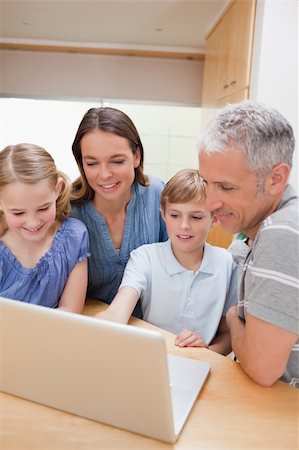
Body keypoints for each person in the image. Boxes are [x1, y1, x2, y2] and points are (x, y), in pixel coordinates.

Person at [197, 100, 299, 387]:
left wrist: (233, 317)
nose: (210, 202)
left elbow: (262, 368)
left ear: (275, 179)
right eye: (206, 183)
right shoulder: (252, 231)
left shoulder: (283, 233)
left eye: (226, 187)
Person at [96, 169, 237, 355]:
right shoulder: (144, 257)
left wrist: (207, 351)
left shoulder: (227, 263)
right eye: (175, 215)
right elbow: (118, 311)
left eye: (196, 217)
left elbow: (228, 335)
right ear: (163, 215)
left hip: (203, 365)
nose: (184, 225)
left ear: (214, 218)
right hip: (150, 359)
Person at [70, 107, 167, 317]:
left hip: (153, 328)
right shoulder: (68, 210)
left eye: (117, 161)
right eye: (92, 163)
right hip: (90, 326)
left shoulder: (159, 196)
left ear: (136, 156)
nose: (104, 174)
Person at [0, 143, 90, 312]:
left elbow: (70, 312)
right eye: (19, 213)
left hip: (55, 336)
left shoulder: (74, 237)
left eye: (43, 208)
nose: (33, 223)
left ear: (58, 189)